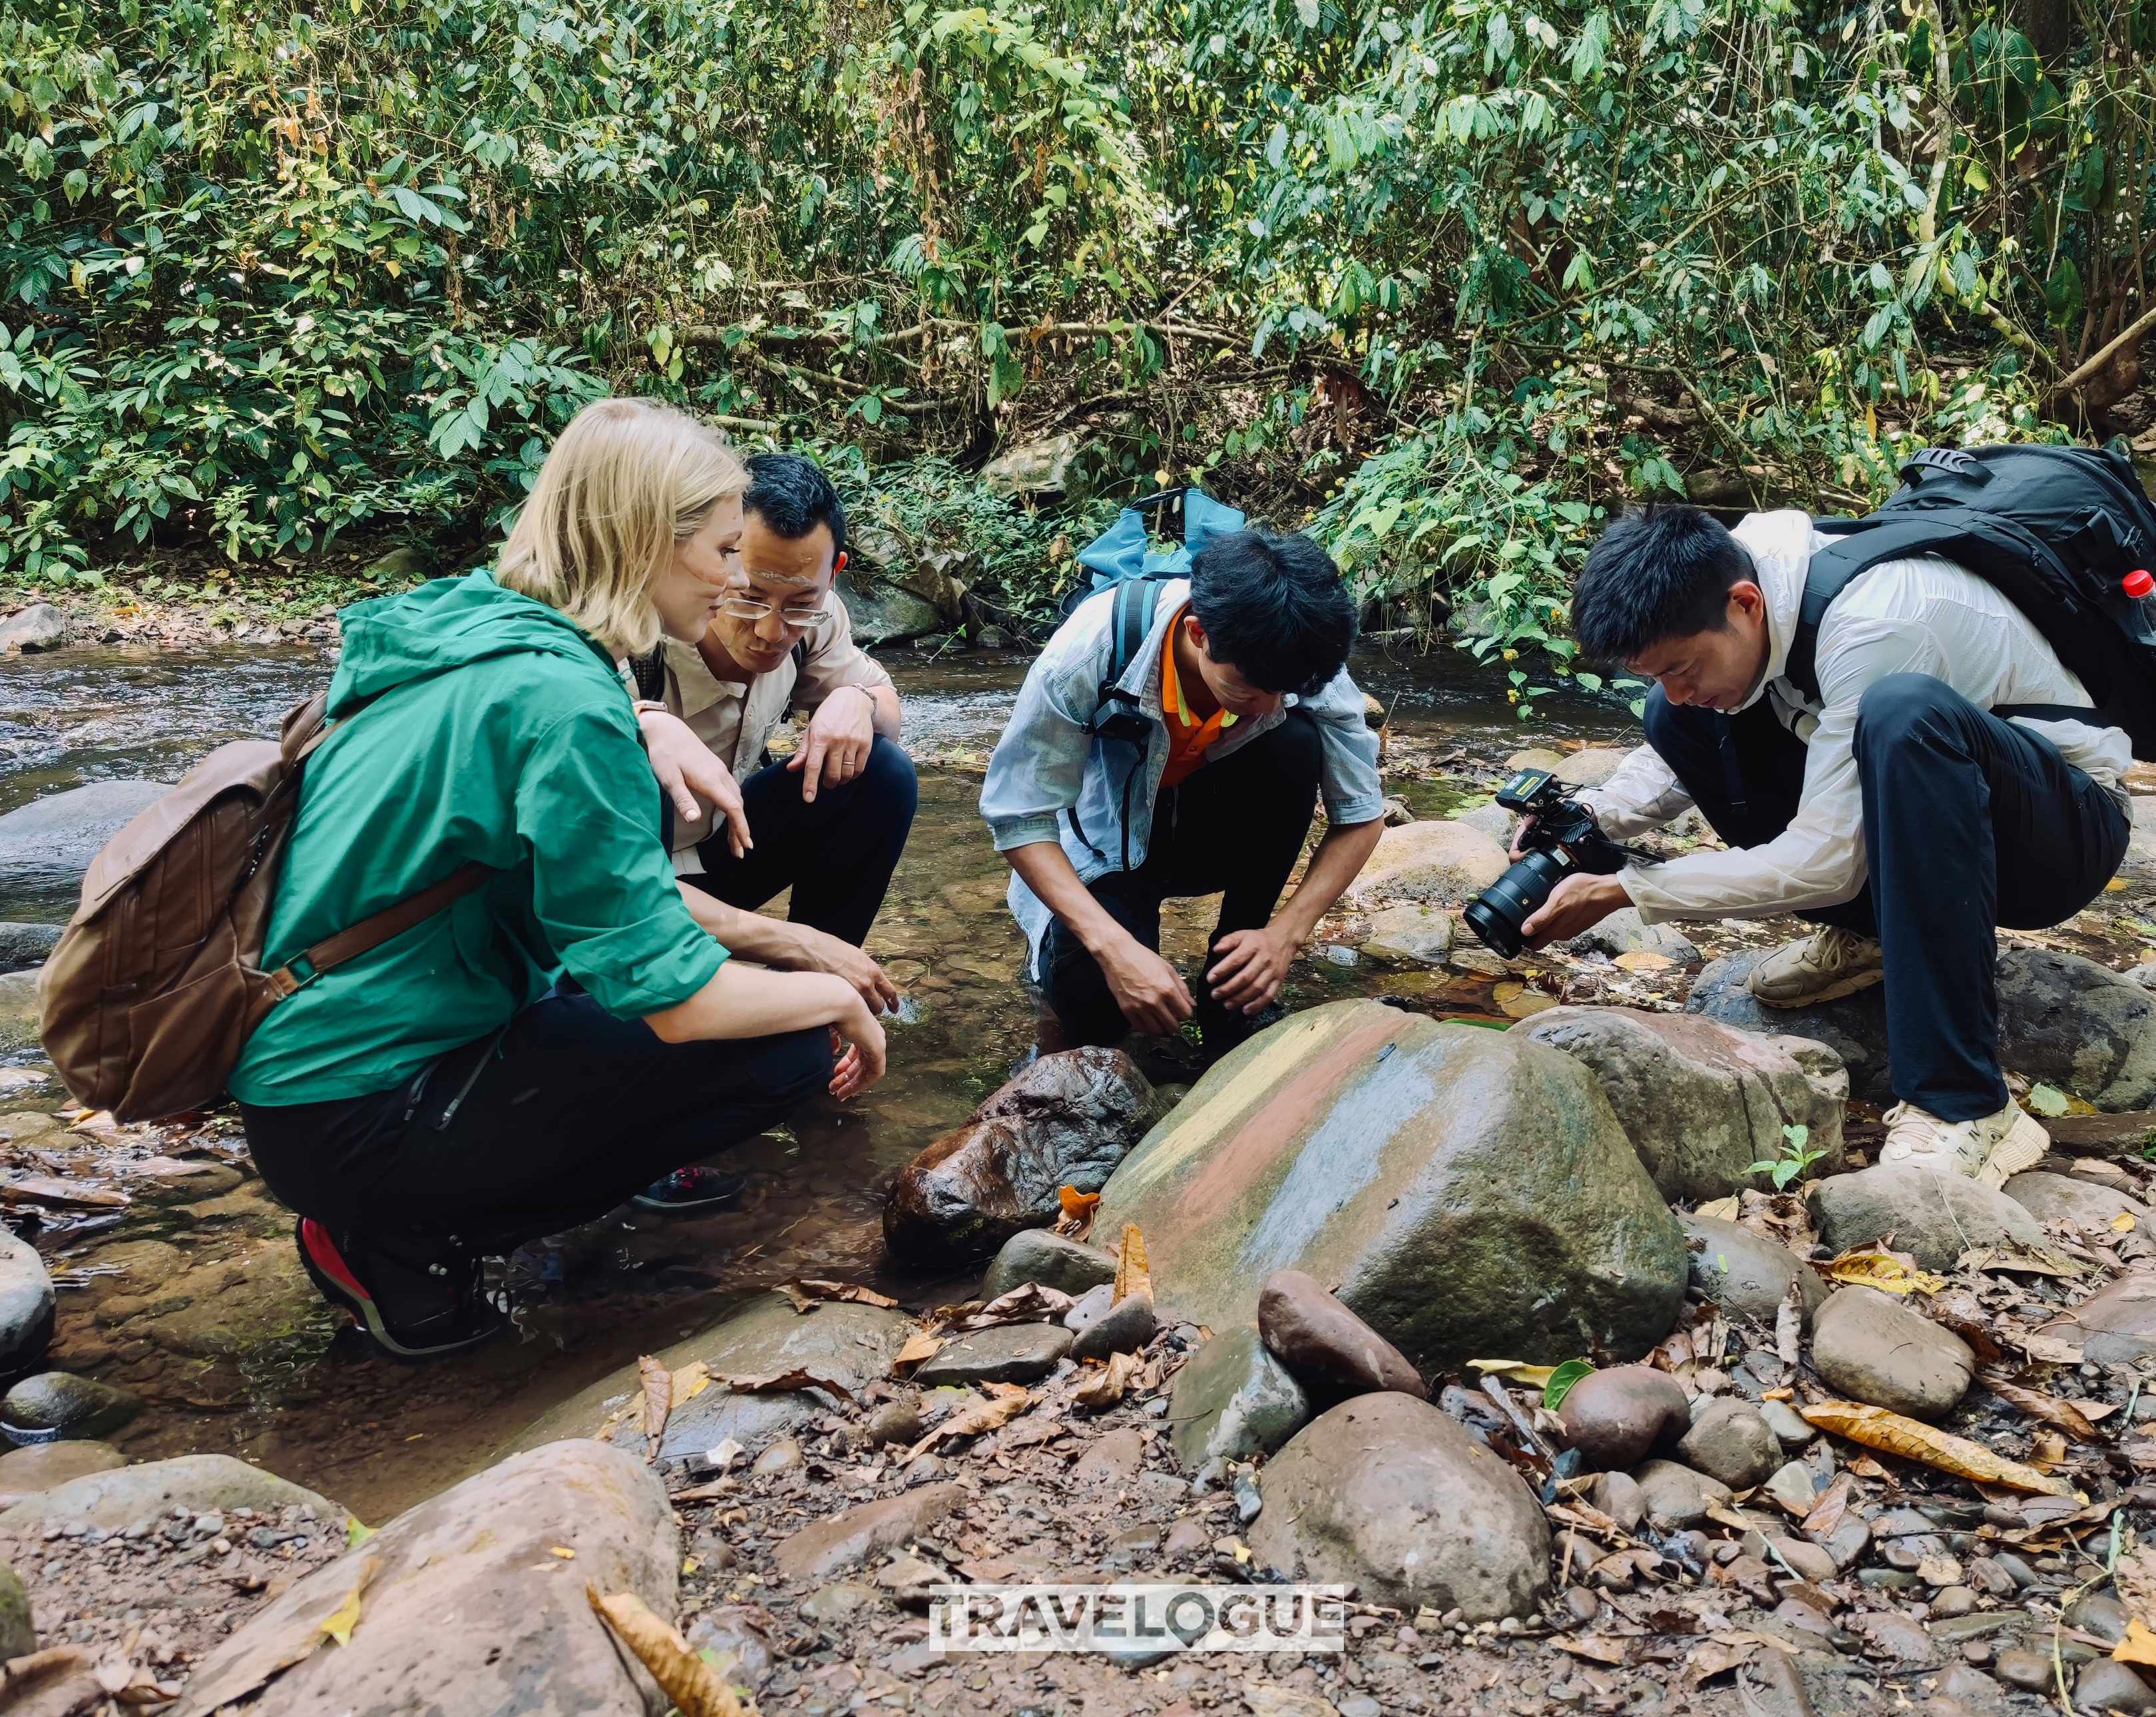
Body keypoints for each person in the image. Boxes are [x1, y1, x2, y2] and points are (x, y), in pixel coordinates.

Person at [228, 398, 888, 1360]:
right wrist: (833, 990)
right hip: (360, 1107)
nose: (736, 575)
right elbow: (672, 999)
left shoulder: (471, 627)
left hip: (308, 1078)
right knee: (785, 1049)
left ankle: (414, 1214)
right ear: (643, 542)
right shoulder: (567, 701)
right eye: (718, 548)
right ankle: (405, 1237)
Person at [1512, 505, 2132, 1186]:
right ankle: (1870, 938)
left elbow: (1828, 861)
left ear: (1743, 604)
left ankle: (1965, 1101)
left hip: (2060, 835)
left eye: (1682, 665)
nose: (1677, 684)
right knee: (1676, 718)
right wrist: (1585, 820)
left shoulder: (1880, 620)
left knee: (1904, 715)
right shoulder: (1741, 584)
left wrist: (1630, 890)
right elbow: (1676, 761)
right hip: (1938, 817)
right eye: (1655, 670)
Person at [618, 453, 915, 1210]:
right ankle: (640, 1104)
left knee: (880, 773)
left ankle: (812, 1018)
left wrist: (855, 698)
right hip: (621, 890)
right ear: (709, 557)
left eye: (798, 601)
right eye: (747, 595)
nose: (770, 629)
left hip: (717, 850)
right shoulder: (635, 632)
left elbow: (880, 699)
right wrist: (644, 722)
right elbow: (591, 882)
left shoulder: (815, 619)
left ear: (832, 572)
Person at [980, 530, 1386, 1055]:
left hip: (1208, 829)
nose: (1266, 706)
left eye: (1280, 691)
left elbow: (1361, 815)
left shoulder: (1295, 657)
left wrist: (1284, 935)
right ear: (1197, 633)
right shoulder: (1085, 654)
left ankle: (1234, 978)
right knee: (1096, 1006)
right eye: (1245, 690)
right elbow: (1019, 817)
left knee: (1293, 740)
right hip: (1111, 844)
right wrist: (1115, 948)